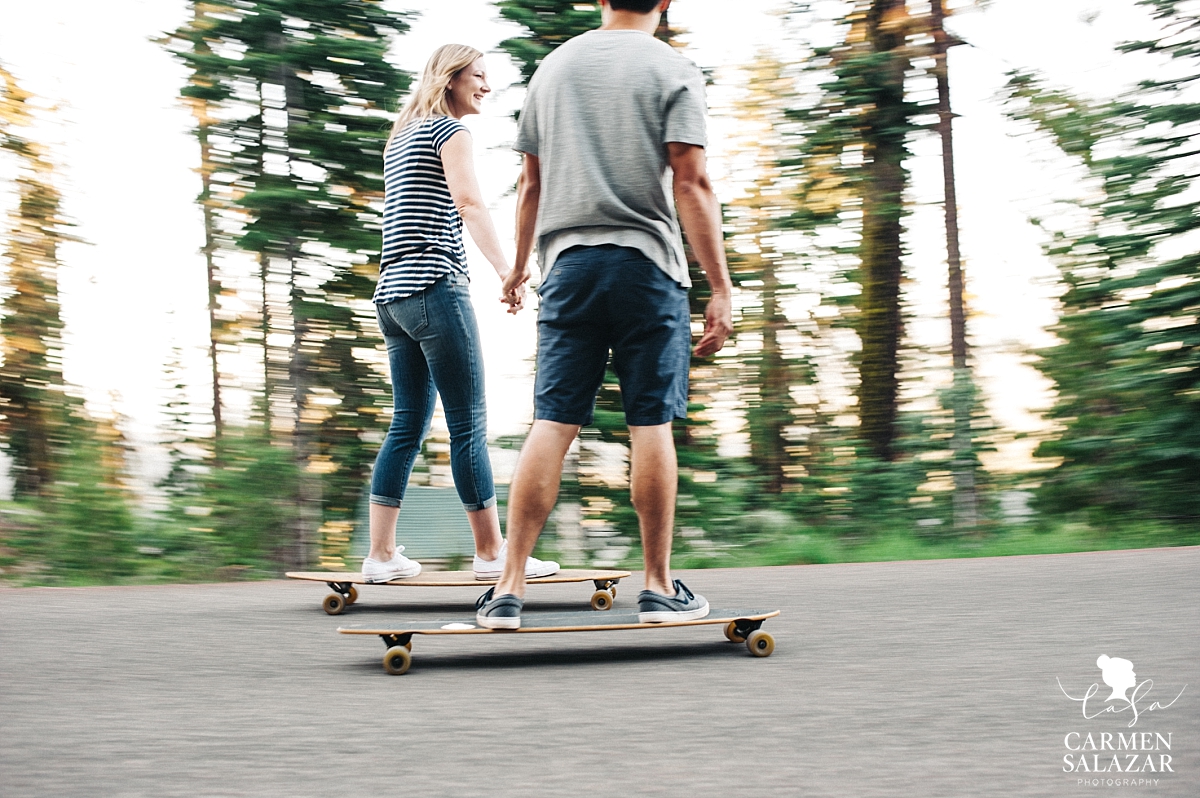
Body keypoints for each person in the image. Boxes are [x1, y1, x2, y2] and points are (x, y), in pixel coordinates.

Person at [475, 0, 733, 629]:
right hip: (647, 266)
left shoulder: (553, 68)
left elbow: (530, 184)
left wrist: (517, 264)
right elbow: (690, 181)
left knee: (553, 421)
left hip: (568, 266)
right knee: (651, 423)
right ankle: (656, 587)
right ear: (665, 1)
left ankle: (508, 589)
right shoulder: (673, 68)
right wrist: (720, 286)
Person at [362, 44, 558, 584]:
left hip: (393, 296)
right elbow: (469, 204)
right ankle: (492, 552)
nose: (486, 86)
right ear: (450, 80)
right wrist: (507, 270)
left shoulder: (401, 136)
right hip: (435, 288)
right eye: (478, 76)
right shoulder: (451, 132)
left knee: (407, 424)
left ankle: (379, 556)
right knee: (467, 424)